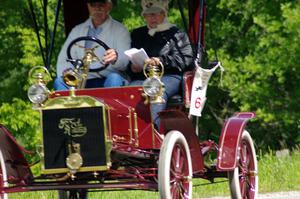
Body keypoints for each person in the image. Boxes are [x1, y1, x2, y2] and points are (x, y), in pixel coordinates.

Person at [128, 0, 193, 128]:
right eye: (149, 14)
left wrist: (161, 60)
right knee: (128, 91)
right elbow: (130, 58)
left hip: (169, 76)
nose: (153, 17)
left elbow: (185, 59)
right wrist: (133, 67)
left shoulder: (177, 35)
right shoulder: (137, 35)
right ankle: (130, 132)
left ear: (164, 14)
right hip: (142, 77)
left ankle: (156, 133)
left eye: (156, 13)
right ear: (144, 16)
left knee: (156, 89)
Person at [54, 0, 130, 90]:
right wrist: (68, 73)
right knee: (59, 81)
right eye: (93, 4)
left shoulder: (120, 30)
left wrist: (116, 57)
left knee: (114, 78)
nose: (97, 8)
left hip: (107, 79)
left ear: (109, 6)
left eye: (101, 4)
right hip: (81, 80)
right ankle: (69, 104)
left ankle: (109, 104)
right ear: (88, 6)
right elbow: (64, 59)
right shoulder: (77, 30)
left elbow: (125, 60)